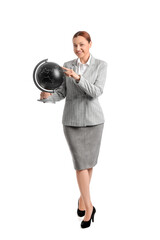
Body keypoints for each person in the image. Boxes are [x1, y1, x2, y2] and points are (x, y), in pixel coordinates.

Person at [40, 31, 108, 228]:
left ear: (90, 44)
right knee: (80, 165)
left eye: (81, 44)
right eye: (74, 45)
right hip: (71, 121)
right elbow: (61, 92)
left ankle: (81, 199)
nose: (78, 48)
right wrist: (47, 97)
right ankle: (89, 207)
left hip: (94, 121)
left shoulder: (101, 65)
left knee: (88, 165)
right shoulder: (67, 65)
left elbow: (96, 92)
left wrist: (78, 77)